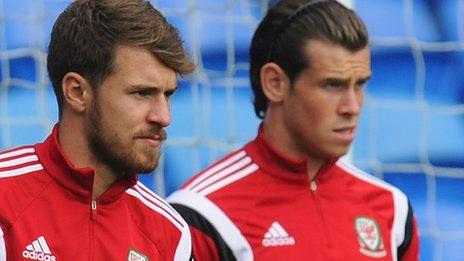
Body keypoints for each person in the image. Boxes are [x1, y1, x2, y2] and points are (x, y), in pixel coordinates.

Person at [167, 0, 419, 260]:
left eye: (360, 85)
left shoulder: (391, 208)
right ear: (275, 83)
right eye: (332, 85)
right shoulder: (203, 214)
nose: (352, 106)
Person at [0, 0, 195, 260]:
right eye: (141, 93)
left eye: (167, 94)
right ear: (77, 92)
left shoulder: (170, 232)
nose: (163, 116)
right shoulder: (5, 200)